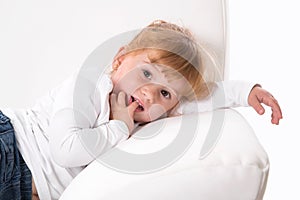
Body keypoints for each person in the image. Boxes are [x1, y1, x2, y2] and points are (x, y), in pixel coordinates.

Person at [0, 20, 282, 200]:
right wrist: (119, 127)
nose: (149, 93)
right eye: (146, 73)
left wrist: (245, 92)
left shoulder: (150, 117)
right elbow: (66, 149)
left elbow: (202, 96)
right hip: (12, 144)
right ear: (120, 59)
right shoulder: (90, 84)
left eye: (164, 93)